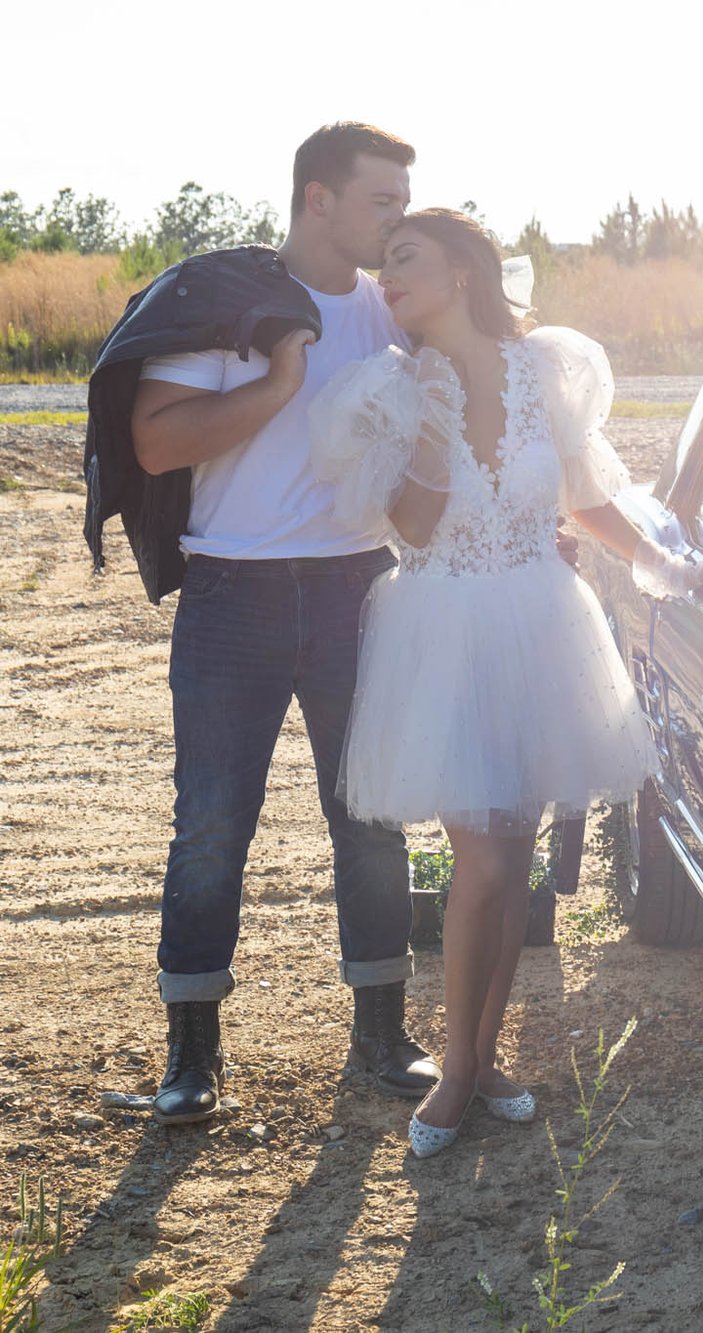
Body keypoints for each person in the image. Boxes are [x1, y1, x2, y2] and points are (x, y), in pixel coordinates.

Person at [307, 208, 680, 1157]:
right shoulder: (390, 390)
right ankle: (458, 1072)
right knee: (478, 864)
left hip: (541, 620)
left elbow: (585, 500)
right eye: (383, 262)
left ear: (463, 273)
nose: (385, 277)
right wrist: (429, 420)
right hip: (443, 632)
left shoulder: (542, 370)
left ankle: (486, 1050)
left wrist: (668, 566)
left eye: (404, 258)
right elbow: (417, 530)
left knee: (511, 865)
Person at [131, 123, 441, 1125]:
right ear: (320, 199)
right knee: (214, 826)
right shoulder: (228, 302)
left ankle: (383, 1041)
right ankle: (193, 1061)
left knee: (372, 819)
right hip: (234, 595)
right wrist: (276, 381)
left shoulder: (397, 311)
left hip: (360, 587)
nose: (398, 215)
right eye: (381, 199)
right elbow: (153, 440)